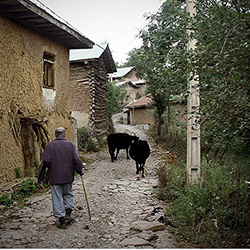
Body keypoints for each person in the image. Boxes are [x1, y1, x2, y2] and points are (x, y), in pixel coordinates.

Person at [42, 127, 83, 229]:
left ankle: (61, 220)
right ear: (64, 135)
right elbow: (76, 160)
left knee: (57, 197)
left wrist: (51, 167)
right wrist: (79, 170)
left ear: (55, 135)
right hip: (68, 175)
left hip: (55, 176)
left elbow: (46, 160)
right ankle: (68, 214)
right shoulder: (70, 145)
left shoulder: (50, 145)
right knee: (68, 194)